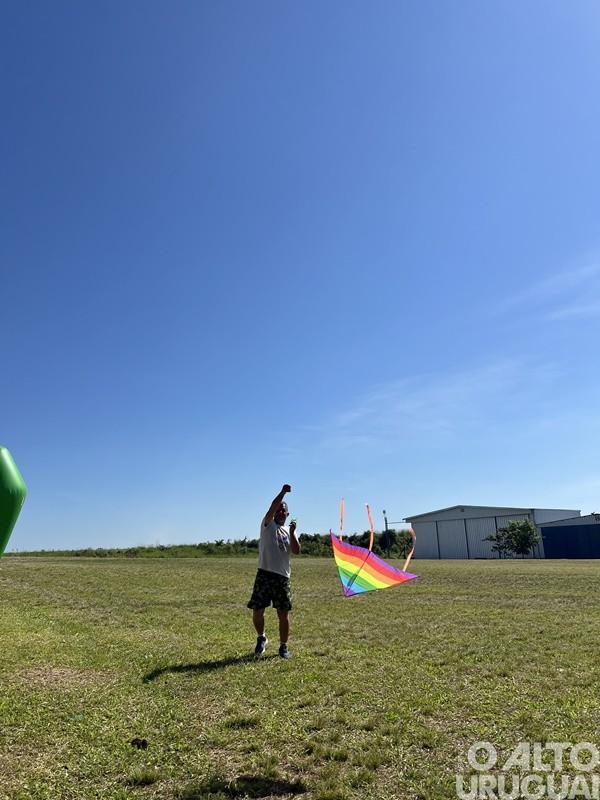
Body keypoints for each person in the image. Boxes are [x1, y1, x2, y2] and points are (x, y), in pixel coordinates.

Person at [247, 484, 300, 659]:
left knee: (283, 614)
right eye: (277, 509)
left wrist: (292, 533)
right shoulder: (267, 525)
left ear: (287, 514)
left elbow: (296, 550)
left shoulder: (289, 530)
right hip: (264, 573)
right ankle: (261, 638)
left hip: (282, 577)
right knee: (257, 610)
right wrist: (283, 493)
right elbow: (272, 506)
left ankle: (283, 647)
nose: (279, 512)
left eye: (282, 510)